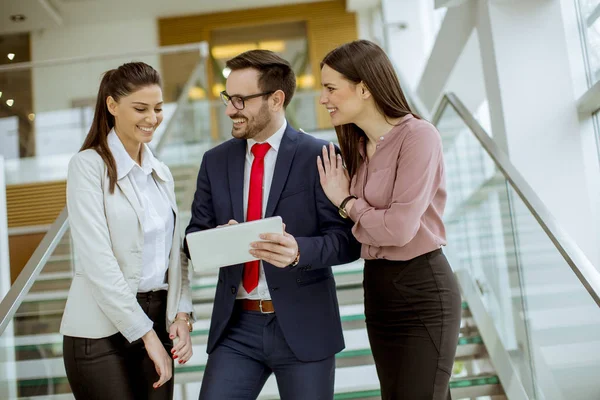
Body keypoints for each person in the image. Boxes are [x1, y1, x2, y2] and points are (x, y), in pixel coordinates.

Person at [185, 49, 360, 400]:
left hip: (305, 327)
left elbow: (347, 241)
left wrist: (299, 251)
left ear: (276, 99)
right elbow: (192, 237)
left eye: (239, 99)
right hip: (236, 328)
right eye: (227, 97)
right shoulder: (214, 162)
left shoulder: (319, 155)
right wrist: (216, 241)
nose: (230, 109)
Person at [317, 40, 462, 400]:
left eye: (331, 88)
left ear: (364, 88)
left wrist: (347, 202)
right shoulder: (357, 147)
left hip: (422, 287)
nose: (323, 99)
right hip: (379, 292)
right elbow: (371, 227)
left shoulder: (419, 136)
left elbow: (399, 229)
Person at [60, 62, 194, 400]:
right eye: (140, 108)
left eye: (158, 108)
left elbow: (173, 254)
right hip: (98, 331)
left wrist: (181, 313)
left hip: (157, 317)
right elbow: (98, 263)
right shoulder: (87, 167)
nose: (152, 117)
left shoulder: (160, 172)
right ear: (112, 105)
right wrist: (147, 336)